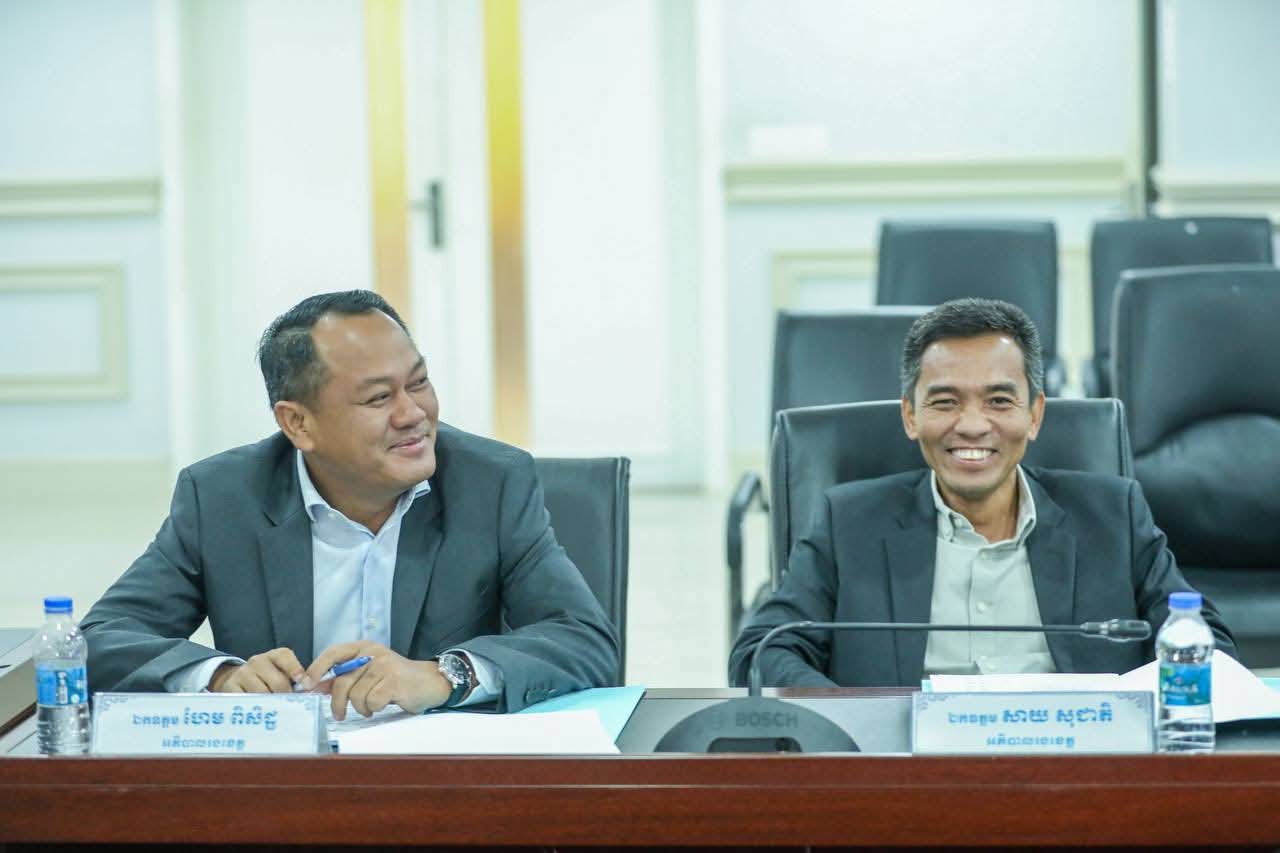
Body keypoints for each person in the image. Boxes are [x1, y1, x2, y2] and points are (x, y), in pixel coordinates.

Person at [83, 290, 619, 717]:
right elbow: (98, 641)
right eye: (379, 397)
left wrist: (442, 676)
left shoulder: (492, 482)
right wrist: (221, 677)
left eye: (419, 383)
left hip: (440, 779)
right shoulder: (223, 496)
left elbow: (584, 641)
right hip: (289, 785)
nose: (413, 414)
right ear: (298, 422)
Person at [730, 298, 1236, 687]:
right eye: (945, 402)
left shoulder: (1112, 515)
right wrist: (854, 723)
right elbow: (762, 652)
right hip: (907, 773)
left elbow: (1204, 643)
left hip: (1077, 769)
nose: (972, 425)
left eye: (998, 401)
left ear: (1034, 415)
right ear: (910, 416)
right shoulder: (848, 523)